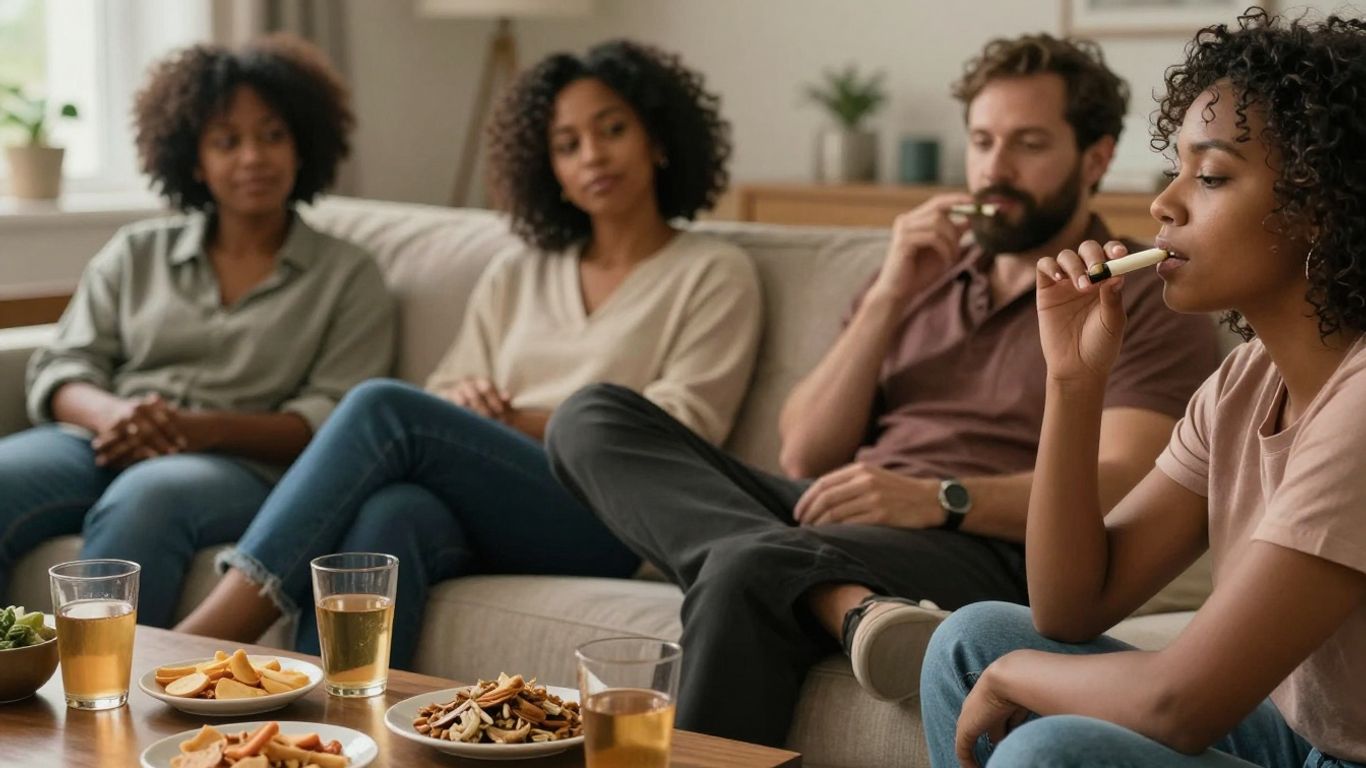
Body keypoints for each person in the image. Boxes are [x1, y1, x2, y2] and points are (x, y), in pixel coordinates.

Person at [546, 33, 1223, 747]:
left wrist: (938, 499)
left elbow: (1117, 485)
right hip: (845, 514)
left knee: (749, 564)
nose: (996, 168)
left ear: (1095, 157)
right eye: (983, 141)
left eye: (1027, 144)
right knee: (590, 415)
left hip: (990, 545)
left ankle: (811, 579)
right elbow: (806, 449)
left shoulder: (1137, 291)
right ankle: (853, 608)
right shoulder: (921, 274)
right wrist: (891, 289)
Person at [173, 40, 762, 671]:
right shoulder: (520, 271)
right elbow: (450, 383)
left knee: (381, 406)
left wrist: (516, 418)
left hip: (615, 520)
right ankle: (333, 732)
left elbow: (681, 429)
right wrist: (470, 401)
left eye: (612, 130)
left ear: (659, 138)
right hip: (498, 501)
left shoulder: (714, 272)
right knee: (392, 513)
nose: (592, 155)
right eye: (567, 144)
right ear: (550, 170)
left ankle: (203, 637)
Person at [921, 9, 1366, 767]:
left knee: (1049, 751)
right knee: (968, 640)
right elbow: (1070, 606)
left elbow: (1180, 705)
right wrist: (1073, 380)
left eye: (1213, 175)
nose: (1165, 203)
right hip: (1306, 742)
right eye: (1177, 168)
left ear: (1323, 206)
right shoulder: (1242, 383)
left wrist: (1016, 676)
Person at [0, 35, 395, 628]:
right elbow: (63, 368)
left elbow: (331, 420)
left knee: (153, 494)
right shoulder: (138, 251)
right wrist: (113, 416)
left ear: (304, 146)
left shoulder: (348, 274)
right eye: (226, 140)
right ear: (192, 158)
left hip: (239, 466)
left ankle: (109, 704)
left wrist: (198, 430)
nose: (252, 158)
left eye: (272, 135)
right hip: (109, 440)